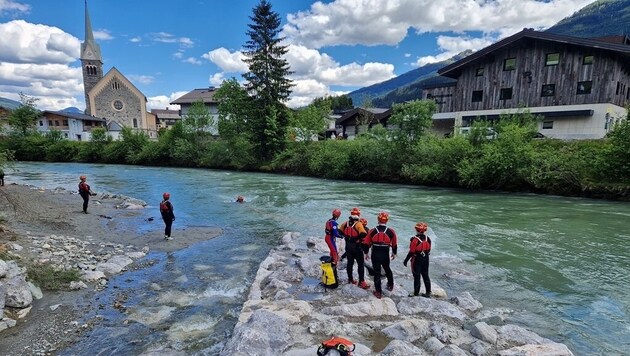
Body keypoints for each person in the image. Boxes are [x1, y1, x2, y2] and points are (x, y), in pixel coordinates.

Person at [363, 212, 397, 299]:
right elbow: (394, 244)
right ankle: (390, 285)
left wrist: (366, 253)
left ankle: (378, 292)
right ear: (387, 221)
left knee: (377, 272)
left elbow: (366, 243)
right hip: (385, 253)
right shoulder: (391, 231)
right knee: (387, 269)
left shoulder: (372, 231)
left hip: (376, 253)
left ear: (378, 220)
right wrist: (394, 253)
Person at [339, 207, 369, 289]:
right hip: (356, 247)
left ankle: (350, 279)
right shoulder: (359, 224)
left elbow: (340, 232)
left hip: (348, 246)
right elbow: (363, 234)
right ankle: (361, 282)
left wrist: (347, 236)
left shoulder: (345, 223)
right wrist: (357, 239)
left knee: (350, 263)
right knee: (360, 264)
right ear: (359, 215)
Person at [403, 222, 432, 298]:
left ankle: (416, 293)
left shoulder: (415, 240)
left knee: (417, 276)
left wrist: (405, 261)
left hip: (417, 259)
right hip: (426, 259)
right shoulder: (428, 239)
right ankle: (428, 292)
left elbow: (411, 252)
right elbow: (429, 250)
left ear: (416, 229)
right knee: (426, 275)